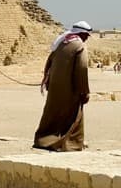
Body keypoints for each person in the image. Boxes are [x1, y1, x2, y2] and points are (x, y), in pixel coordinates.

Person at [34, 21, 93, 152]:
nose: (87, 38)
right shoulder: (79, 46)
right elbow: (82, 69)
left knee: (53, 113)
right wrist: (84, 91)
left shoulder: (61, 43)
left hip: (55, 87)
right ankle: (72, 143)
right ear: (82, 34)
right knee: (74, 115)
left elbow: (49, 61)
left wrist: (47, 80)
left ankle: (44, 140)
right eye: (86, 35)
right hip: (69, 89)